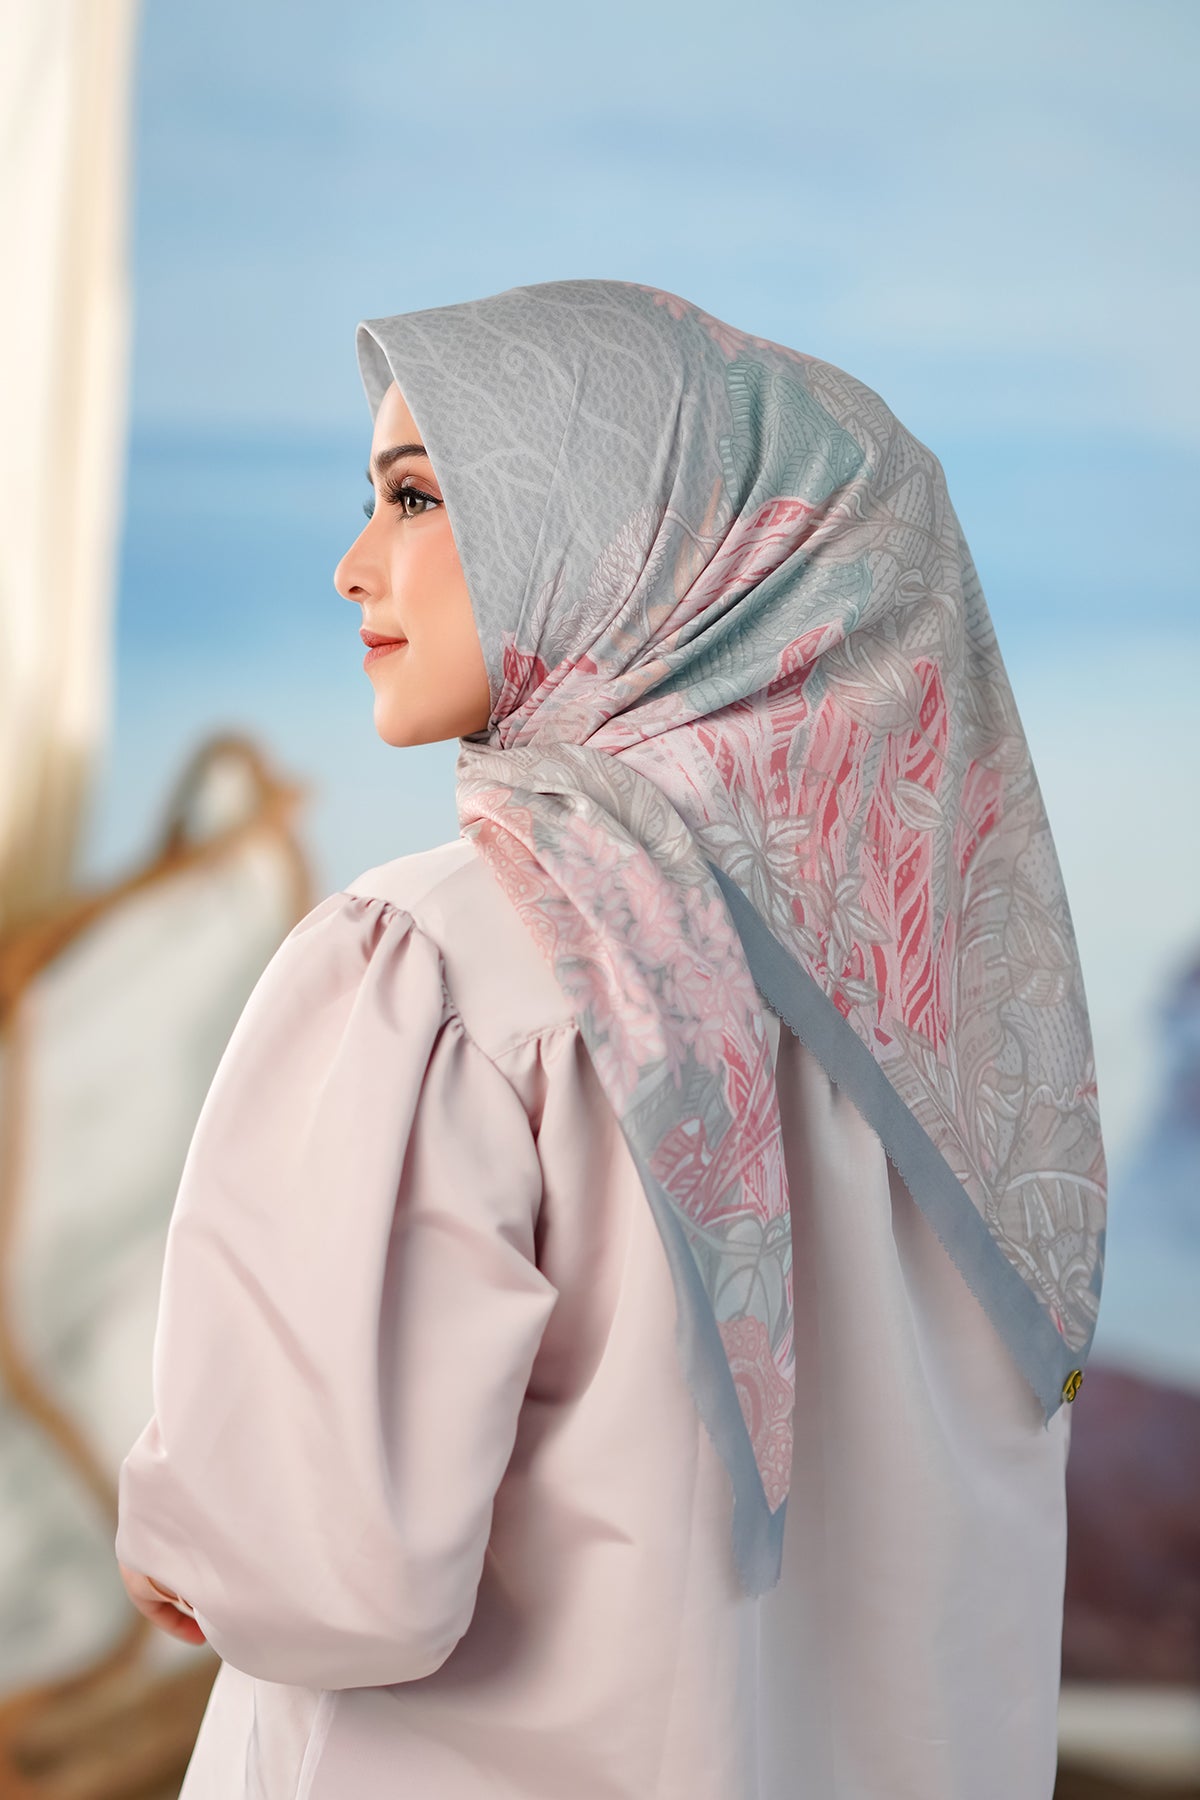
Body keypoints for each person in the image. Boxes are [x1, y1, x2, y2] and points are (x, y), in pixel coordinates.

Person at [114, 277, 1106, 1799]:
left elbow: (325, 1571)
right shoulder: (970, 1021)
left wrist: (189, 1537)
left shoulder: (435, 965)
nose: (353, 565)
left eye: (419, 496)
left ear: (628, 545)